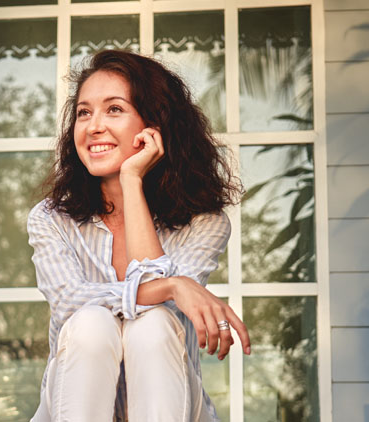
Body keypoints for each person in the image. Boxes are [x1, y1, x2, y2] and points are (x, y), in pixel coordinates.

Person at [28, 50, 250, 422]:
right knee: (89, 323)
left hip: (172, 405)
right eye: (84, 112)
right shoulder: (52, 218)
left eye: (114, 109)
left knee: (153, 324)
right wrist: (172, 285)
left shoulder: (204, 223)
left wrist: (132, 180)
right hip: (71, 408)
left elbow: (163, 315)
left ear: (155, 124)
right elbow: (69, 302)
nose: (94, 126)